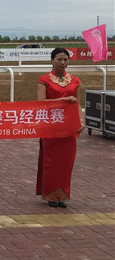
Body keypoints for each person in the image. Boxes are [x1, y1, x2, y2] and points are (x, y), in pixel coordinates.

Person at [37, 47, 85, 208]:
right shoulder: (44, 80)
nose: (63, 62)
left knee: (66, 162)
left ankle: (63, 195)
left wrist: (80, 121)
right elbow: (40, 103)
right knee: (51, 161)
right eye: (59, 59)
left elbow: (77, 103)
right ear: (52, 60)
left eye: (65, 59)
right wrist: (64, 101)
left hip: (69, 127)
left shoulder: (75, 80)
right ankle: (51, 194)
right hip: (51, 126)